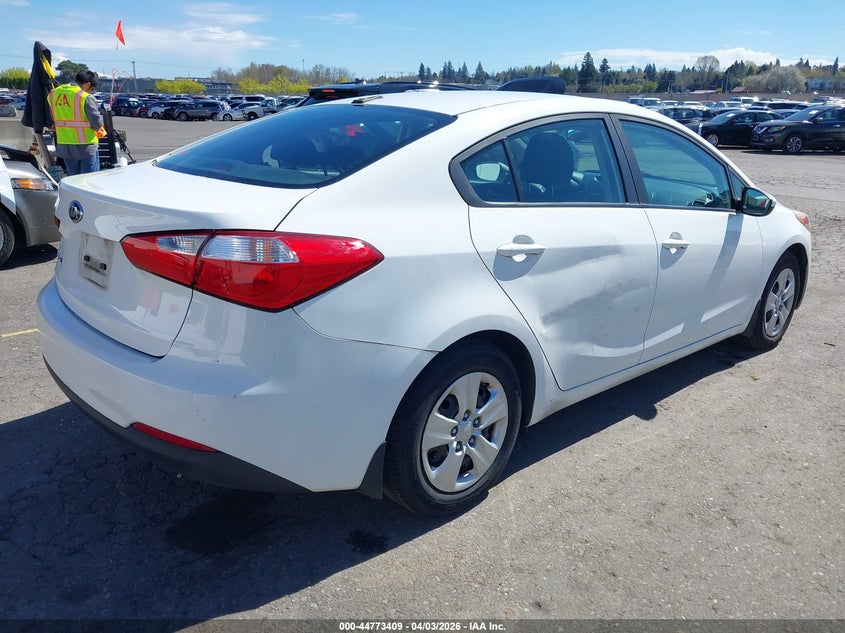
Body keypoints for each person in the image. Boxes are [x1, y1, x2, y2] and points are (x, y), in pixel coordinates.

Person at [47, 69, 106, 176]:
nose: (90, 92)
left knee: (73, 180)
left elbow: (53, 117)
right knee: (90, 180)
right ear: (87, 84)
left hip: (64, 145)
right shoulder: (84, 97)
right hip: (86, 146)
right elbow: (97, 123)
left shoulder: (53, 94)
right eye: (91, 89)